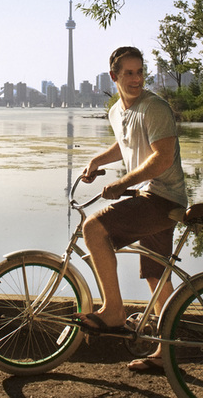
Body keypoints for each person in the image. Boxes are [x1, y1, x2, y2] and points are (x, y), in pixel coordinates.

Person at [78, 46, 189, 373]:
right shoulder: (116, 111)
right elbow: (126, 143)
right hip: (150, 197)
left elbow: (162, 158)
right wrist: (97, 160)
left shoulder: (154, 108)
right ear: (114, 76)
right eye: (128, 73)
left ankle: (113, 311)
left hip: (161, 198)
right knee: (156, 275)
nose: (136, 78)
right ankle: (165, 353)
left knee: (93, 229)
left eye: (140, 72)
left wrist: (123, 183)